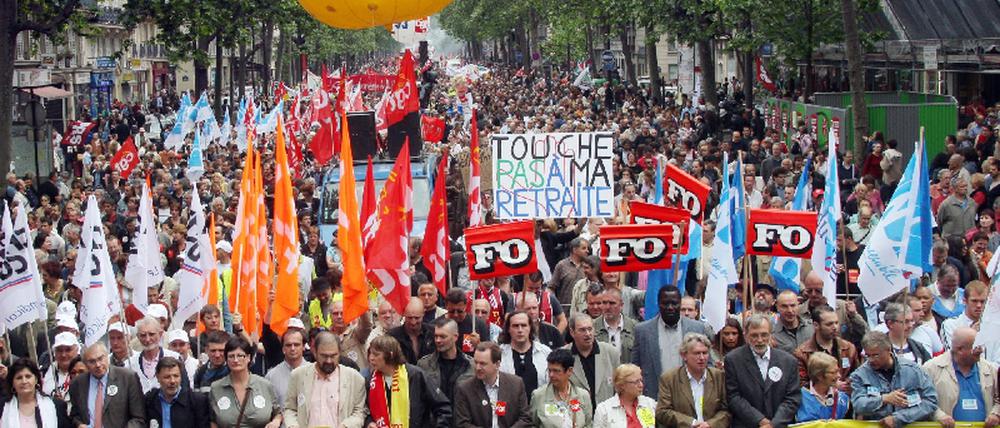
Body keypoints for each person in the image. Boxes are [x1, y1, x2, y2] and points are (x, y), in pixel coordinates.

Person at [632, 285, 712, 398]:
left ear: (680, 304)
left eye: (674, 303)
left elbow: (708, 363)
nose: (670, 307)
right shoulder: (643, 331)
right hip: (654, 398)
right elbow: (635, 366)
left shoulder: (697, 328)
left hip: (690, 397)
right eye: (665, 303)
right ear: (659, 303)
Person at [724, 314, 802, 428]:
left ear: (771, 334)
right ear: (745, 336)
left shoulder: (788, 361)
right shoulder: (733, 360)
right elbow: (733, 396)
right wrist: (760, 421)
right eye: (754, 335)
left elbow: (793, 397)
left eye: (764, 335)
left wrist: (774, 424)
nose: (760, 340)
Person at [849, 331, 938, 427]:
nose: (871, 360)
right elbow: (858, 404)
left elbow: (930, 401)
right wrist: (884, 399)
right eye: (868, 355)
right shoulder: (860, 375)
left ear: (888, 350)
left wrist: (899, 418)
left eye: (875, 355)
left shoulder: (913, 370)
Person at [282, 332, 367, 428]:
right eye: (324, 356)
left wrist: (345, 426)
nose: (329, 361)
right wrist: (293, 425)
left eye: (333, 356)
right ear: (314, 352)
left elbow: (360, 412)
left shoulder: (355, 378)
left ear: (339, 352)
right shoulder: (298, 376)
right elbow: (290, 409)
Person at [365, 335, 452, 428]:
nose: (371, 358)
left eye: (376, 354)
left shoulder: (416, 375)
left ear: (390, 355)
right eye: (370, 353)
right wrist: (369, 422)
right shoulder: (371, 380)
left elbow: (442, 407)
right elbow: (366, 410)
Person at [922, 327, 1000, 427]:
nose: (980, 350)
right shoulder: (931, 369)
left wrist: (996, 413)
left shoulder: (990, 369)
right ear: (960, 349)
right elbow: (923, 399)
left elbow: (999, 400)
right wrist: (939, 416)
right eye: (976, 347)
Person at [655, 333, 730, 428]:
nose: (702, 358)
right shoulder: (670, 378)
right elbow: (662, 411)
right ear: (684, 355)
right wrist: (691, 423)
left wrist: (710, 424)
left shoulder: (719, 377)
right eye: (697, 353)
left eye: (705, 353)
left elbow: (726, 410)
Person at [453, 342, 533, 428]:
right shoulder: (464, 388)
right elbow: (462, 423)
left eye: (483, 364)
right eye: (476, 362)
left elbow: (525, 418)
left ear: (497, 364)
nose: (477, 368)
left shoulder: (516, 384)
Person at [208, 336, 282, 428]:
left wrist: (275, 422)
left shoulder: (265, 385)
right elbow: (212, 420)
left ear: (248, 358)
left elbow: (277, 412)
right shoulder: (216, 388)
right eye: (231, 356)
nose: (235, 360)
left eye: (240, 356)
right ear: (226, 359)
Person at [67, 342, 146, 428]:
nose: (98, 365)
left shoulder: (127, 378)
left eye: (100, 358)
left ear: (107, 356)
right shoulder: (77, 383)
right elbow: (75, 415)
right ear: (85, 364)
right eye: (92, 361)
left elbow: (139, 418)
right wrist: (79, 424)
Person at [793, 305, 860, 388]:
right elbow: (801, 384)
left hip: (845, 397)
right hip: (816, 399)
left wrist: (847, 384)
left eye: (836, 323)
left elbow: (857, 376)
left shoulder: (849, 348)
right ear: (816, 325)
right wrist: (830, 385)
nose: (835, 327)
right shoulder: (802, 353)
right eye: (829, 324)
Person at [565, 313, 620, 409]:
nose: (587, 334)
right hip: (578, 417)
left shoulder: (611, 352)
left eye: (590, 329)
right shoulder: (563, 355)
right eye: (582, 330)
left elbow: (619, 388)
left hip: (606, 417)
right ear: (572, 332)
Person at [530, 348, 592, 428]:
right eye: (549, 370)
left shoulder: (583, 395)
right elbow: (533, 424)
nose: (551, 375)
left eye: (556, 371)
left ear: (569, 371)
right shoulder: (538, 395)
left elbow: (588, 424)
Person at [416, 317, 474, 403]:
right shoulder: (424, 365)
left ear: (455, 337)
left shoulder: (471, 365)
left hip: (461, 414)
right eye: (436, 336)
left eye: (443, 337)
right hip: (435, 414)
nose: (438, 340)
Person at [0, 358, 71, 427]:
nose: (24, 381)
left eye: (28, 377)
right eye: (19, 378)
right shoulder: (2, 407)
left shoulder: (56, 406)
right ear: (12, 382)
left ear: (36, 379)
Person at [498, 310, 551, 401]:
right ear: (508, 329)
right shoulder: (499, 354)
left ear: (530, 327)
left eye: (523, 325)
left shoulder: (545, 352)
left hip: (539, 408)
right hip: (510, 408)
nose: (520, 330)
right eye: (515, 326)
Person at [144, 356, 211, 427]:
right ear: (158, 377)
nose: (172, 381)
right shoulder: (150, 400)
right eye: (167, 377)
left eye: (176, 376)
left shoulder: (196, 401)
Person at [126, 316, 186, 393]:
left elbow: (184, 388)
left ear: (160, 334)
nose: (147, 339)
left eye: (151, 334)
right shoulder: (130, 363)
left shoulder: (175, 357)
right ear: (138, 337)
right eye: (143, 335)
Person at [592, 364, 656, 428]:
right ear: (622, 385)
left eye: (641, 380)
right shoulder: (604, 410)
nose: (641, 385)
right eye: (636, 382)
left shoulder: (650, 404)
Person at [796, 352, 850, 422]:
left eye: (838, 371)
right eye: (833, 372)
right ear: (819, 376)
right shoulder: (799, 397)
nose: (839, 375)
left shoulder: (843, 399)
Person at [263, 328, 307, 406]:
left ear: (303, 347)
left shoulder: (314, 372)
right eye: (288, 345)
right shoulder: (271, 376)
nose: (292, 348)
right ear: (283, 348)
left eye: (296, 345)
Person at [442, 288, 491, 355]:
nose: (455, 315)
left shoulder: (478, 324)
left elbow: (488, 354)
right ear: (446, 306)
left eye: (459, 311)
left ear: (465, 306)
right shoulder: (437, 326)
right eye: (452, 311)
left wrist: (479, 345)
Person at [387, 297, 436, 364]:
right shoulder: (392, 336)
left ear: (423, 314)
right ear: (404, 314)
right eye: (409, 318)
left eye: (417, 318)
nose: (413, 322)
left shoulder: (433, 333)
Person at [594, 287, 636, 363]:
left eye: (612, 303)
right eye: (604, 303)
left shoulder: (635, 327)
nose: (607, 307)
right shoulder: (592, 327)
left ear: (621, 305)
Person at [41, 332, 78, 399]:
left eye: (68, 350)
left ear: (77, 350)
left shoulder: (85, 371)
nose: (63, 355)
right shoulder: (44, 371)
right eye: (59, 350)